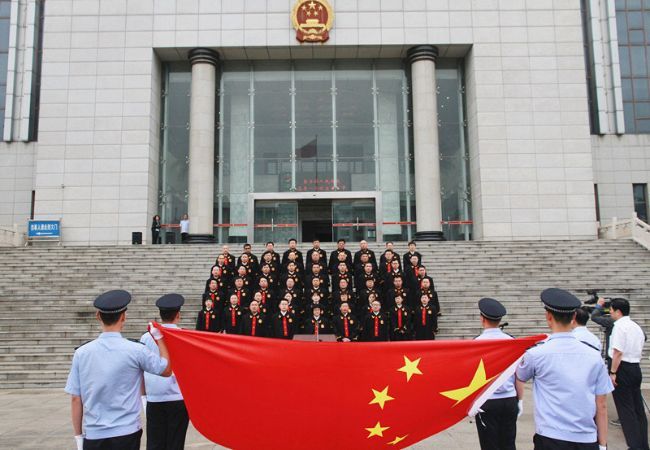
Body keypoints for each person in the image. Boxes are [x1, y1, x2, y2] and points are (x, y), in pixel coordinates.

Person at [64, 290, 172, 450]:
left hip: (95, 433)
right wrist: (159, 338)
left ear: (98, 316)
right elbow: (166, 369)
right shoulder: (136, 350)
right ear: (123, 317)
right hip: (126, 431)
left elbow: (76, 398)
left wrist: (79, 437)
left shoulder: (82, 353)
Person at [516, 288, 612, 450]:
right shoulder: (594, 356)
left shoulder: (536, 354)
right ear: (574, 317)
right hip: (586, 437)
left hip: (550, 436)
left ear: (548, 317)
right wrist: (602, 445)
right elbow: (601, 404)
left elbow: (520, 375)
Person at [140, 294, 189, 450]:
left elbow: (141, 368)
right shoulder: (184, 336)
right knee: (176, 443)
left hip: (154, 396)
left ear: (160, 315)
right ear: (178, 315)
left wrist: (143, 396)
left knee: (155, 443)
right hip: (178, 396)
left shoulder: (146, 337)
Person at [474, 298, 523, 450]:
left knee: (489, 445)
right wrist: (520, 399)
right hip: (509, 399)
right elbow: (518, 374)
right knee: (508, 444)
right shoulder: (511, 341)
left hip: (487, 400)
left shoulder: (477, 343)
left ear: (482, 318)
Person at [608, 298, 648, 450]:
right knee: (638, 410)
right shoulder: (635, 326)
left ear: (618, 311)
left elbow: (617, 352)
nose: (610, 313)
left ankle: (634, 446)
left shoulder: (619, 327)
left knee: (625, 410)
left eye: (611, 310)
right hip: (635, 367)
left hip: (622, 368)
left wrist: (613, 372)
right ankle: (643, 444)